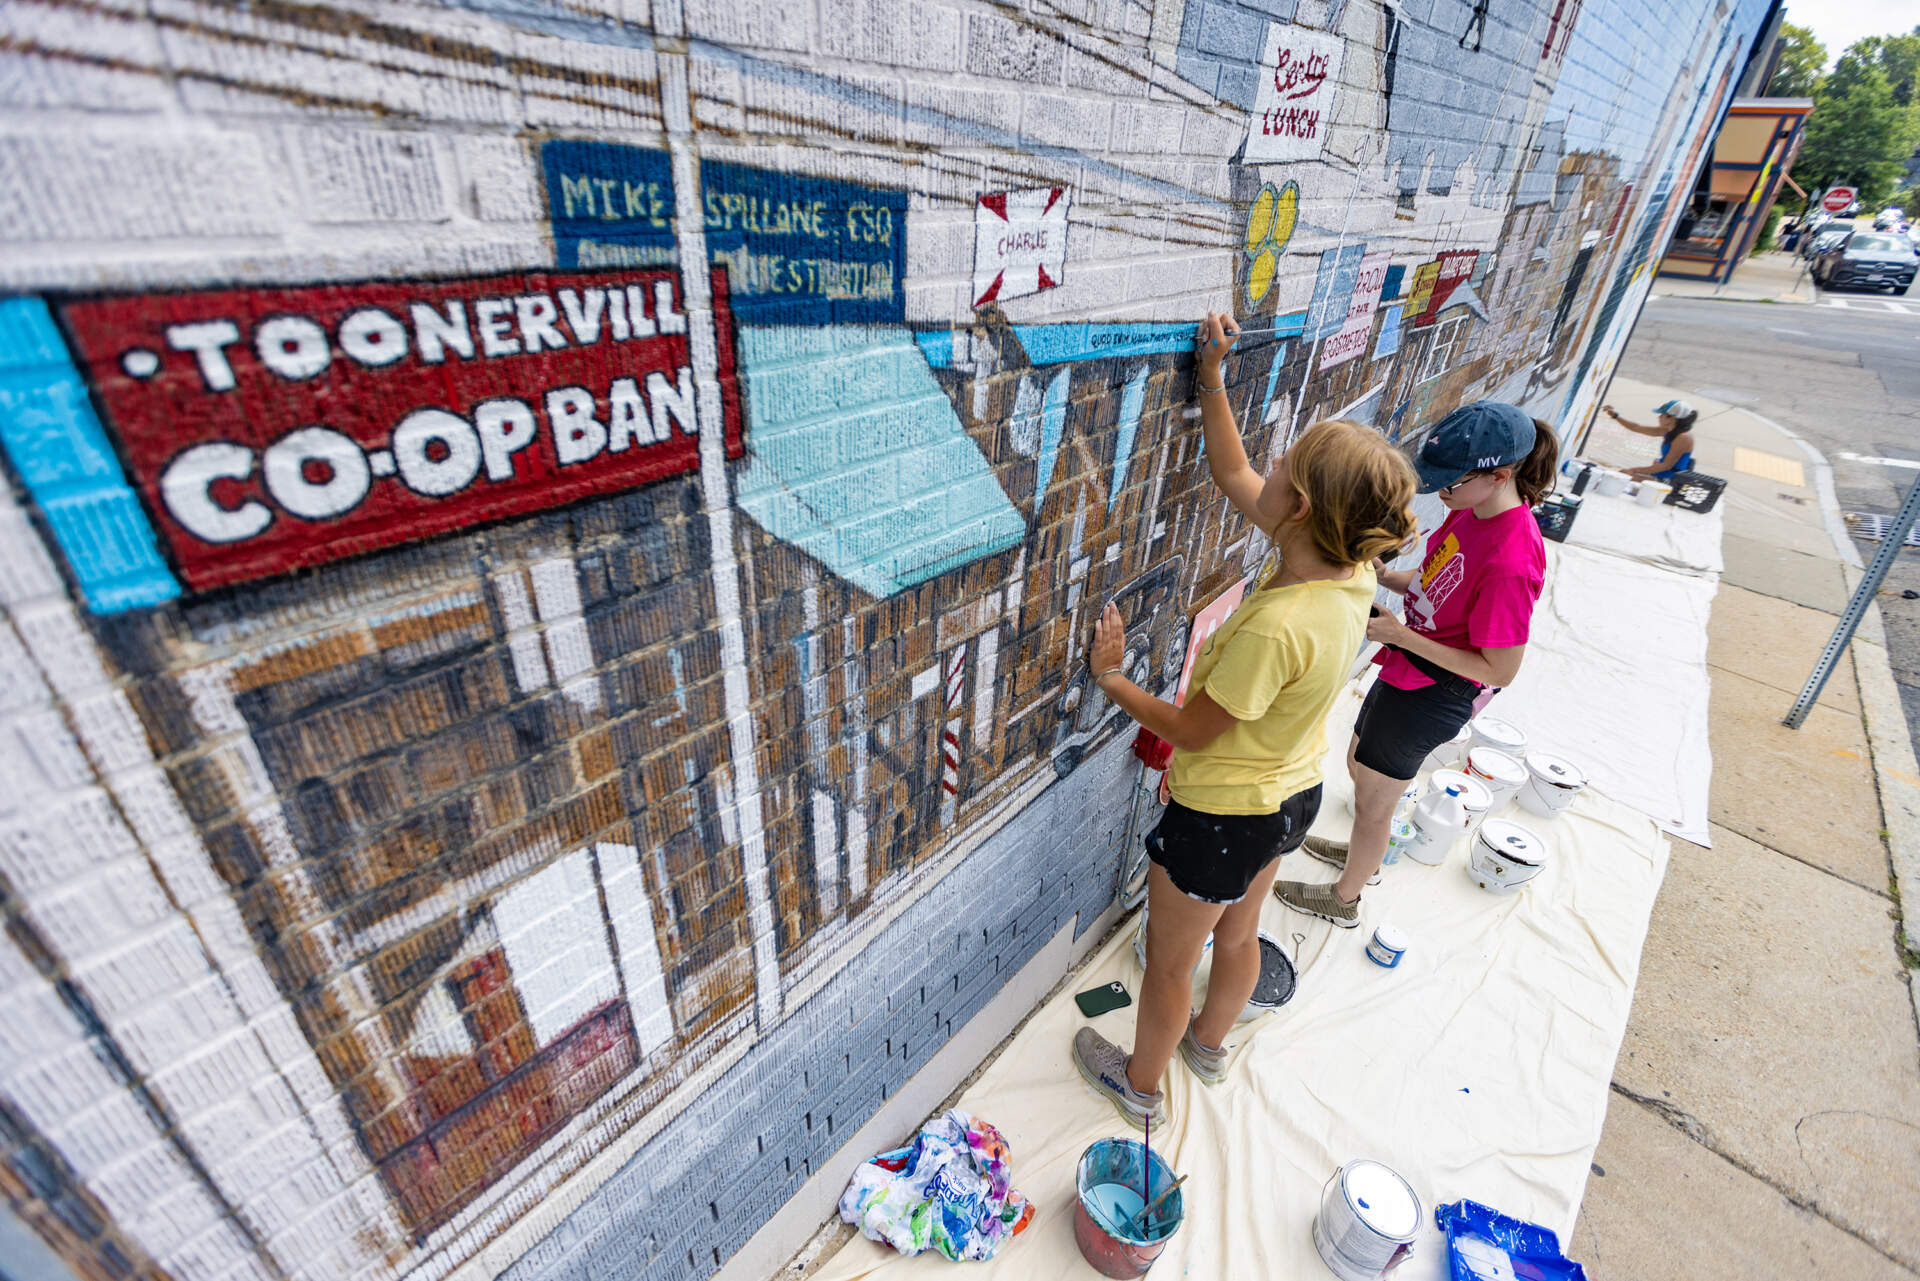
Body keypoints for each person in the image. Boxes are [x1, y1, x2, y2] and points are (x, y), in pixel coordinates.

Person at [1070, 313, 1419, 1125]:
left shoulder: (1275, 626)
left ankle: (1142, 1085)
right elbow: (1232, 469)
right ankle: (1209, 1044)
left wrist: (1114, 678)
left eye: (1284, 465)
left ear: (1297, 507)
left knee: (1167, 964)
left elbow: (1192, 733)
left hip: (1223, 815)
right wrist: (1213, 376)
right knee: (1240, 932)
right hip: (1291, 795)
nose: (1267, 468)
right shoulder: (1345, 569)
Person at [1273, 402, 1556, 928]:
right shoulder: (1470, 509)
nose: (1441, 493)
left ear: (1499, 476)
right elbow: (1433, 582)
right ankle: (1366, 849)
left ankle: (1346, 898)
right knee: (1360, 765)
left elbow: (1499, 670)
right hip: (1409, 661)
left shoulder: (1513, 558)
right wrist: (1383, 574)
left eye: (1451, 482)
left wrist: (1401, 634)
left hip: (1438, 689)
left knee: (1377, 798)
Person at [1604, 399, 1696, 480]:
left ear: (1672, 418)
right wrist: (1616, 416)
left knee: (1623, 476)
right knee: (1623, 473)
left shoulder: (1683, 438)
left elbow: (1666, 466)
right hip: (1660, 474)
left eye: (1662, 415)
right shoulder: (1668, 430)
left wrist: (1634, 470)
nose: (1659, 417)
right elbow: (1636, 427)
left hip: (1671, 480)